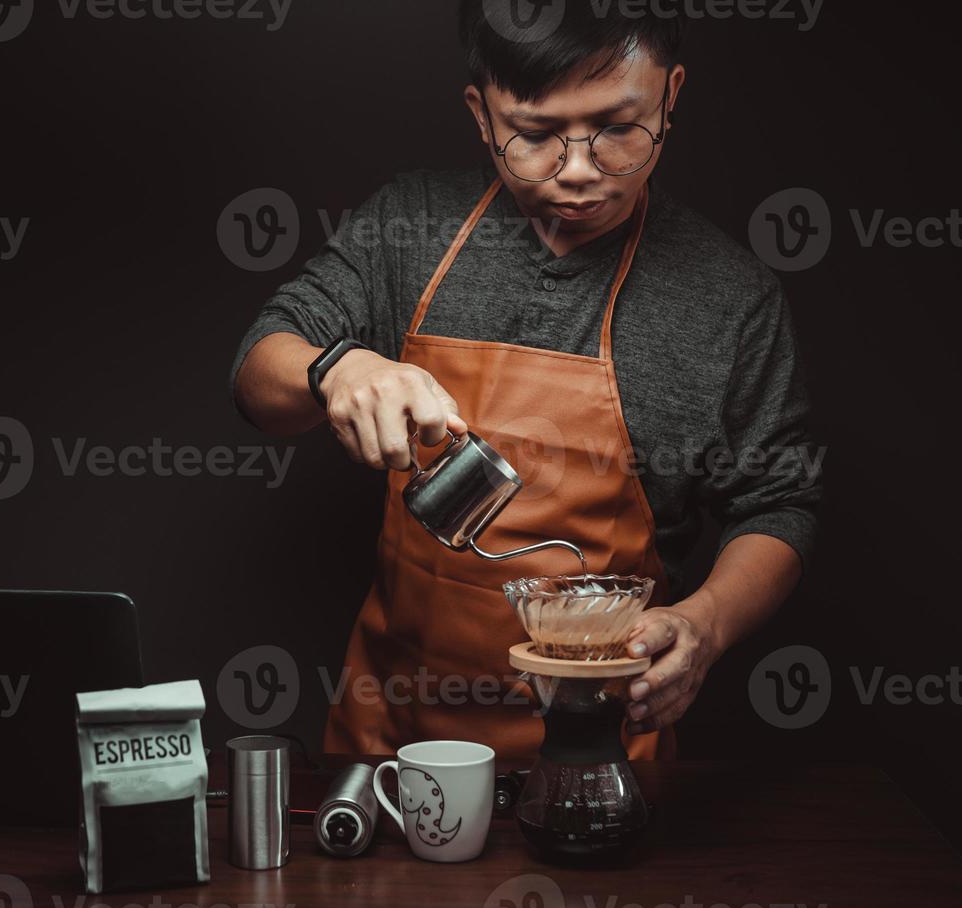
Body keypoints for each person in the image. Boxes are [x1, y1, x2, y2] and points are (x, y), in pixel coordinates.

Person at [230, 2, 821, 759]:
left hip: (599, 757)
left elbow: (781, 503)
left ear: (671, 96)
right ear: (482, 114)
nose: (578, 170)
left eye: (616, 128)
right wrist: (337, 368)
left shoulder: (728, 298)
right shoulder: (410, 224)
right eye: (535, 136)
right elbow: (258, 371)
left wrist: (705, 624)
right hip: (392, 749)